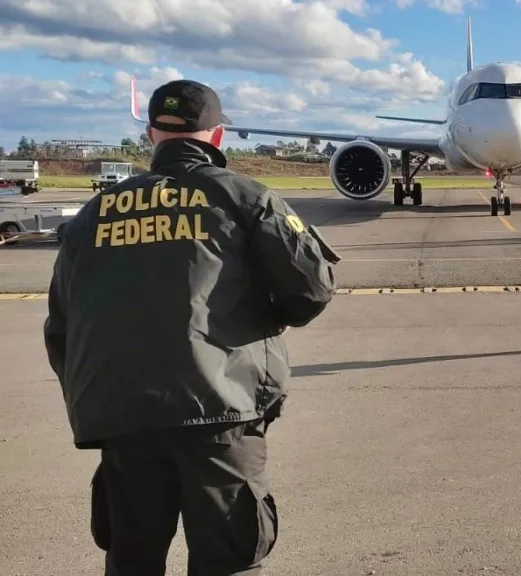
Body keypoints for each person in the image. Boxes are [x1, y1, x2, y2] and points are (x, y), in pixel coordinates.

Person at [42, 79, 341, 575]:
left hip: (123, 421)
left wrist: (100, 394)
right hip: (219, 415)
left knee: (132, 559)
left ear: (151, 135)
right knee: (228, 559)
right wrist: (270, 321)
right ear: (217, 136)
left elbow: (61, 330)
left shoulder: (95, 213)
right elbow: (311, 287)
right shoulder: (245, 197)